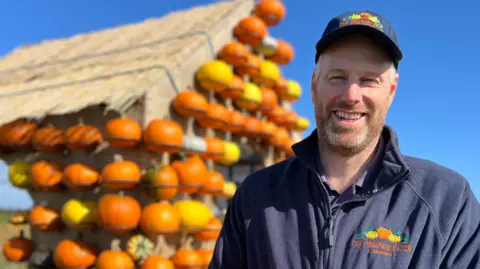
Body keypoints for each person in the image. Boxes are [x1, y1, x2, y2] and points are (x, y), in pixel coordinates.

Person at [209, 10, 480, 269]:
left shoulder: (448, 200)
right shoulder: (255, 194)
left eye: (369, 80)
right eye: (337, 77)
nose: (351, 95)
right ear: (314, 87)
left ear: (391, 91)